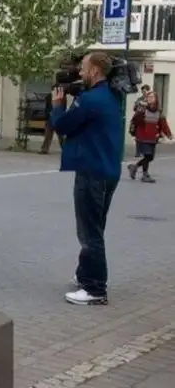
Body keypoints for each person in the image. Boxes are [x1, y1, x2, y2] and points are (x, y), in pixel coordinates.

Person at [50, 52, 121, 306]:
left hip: (92, 172)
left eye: (82, 68)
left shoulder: (90, 100)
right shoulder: (111, 96)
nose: (79, 73)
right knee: (95, 228)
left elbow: (63, 125)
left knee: (89, 232)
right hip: (108, 170)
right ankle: (85, 275)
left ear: (94, 71)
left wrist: (58, 105)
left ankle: (95, 289)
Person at [128, 91, 172, 183]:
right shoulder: (142, 109)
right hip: (142, 136)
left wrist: (169, 134)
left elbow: (163, 123)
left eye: (152, 97)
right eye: (148, 97)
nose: (150, 98)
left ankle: (134, 167)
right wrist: (141, 109)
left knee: (150, 157)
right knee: (147, 155)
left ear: (156, 99)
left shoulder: (159, 111)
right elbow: (135, 120)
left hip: (152, 137)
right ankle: (145, 175)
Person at [40, 88, 65, 154]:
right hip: (51, 117)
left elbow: (63, 107)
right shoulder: (50, 96)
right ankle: (44, 149)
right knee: (49, 135)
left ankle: (65, 148)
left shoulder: (62, 96)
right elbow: (47, 107)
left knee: (60, 135)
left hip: (57, 117)